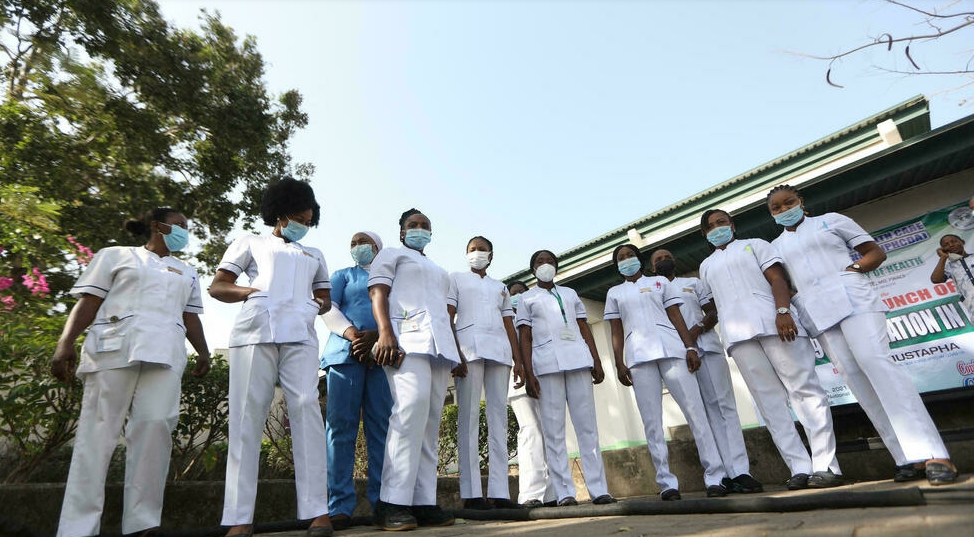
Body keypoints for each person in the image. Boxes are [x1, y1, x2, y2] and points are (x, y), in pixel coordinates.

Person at [769, 184, 958, 485]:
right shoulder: (775, 246)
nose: (783, 210)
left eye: (787, 202)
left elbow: (875, 252)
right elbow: (782, 283)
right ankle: (905, 458)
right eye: (775, 208)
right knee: (857, 381)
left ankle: (935, 454)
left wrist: (853, 269)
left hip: (855, 301)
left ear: (800, 201)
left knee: (877, 363)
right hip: (819, 315)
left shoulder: (832, 220)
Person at [52, 207, 211, 537]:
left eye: (187, 227)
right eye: (179, 225)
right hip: (113, 351)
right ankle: (78, 529)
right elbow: (89, 302)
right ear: (157, 226)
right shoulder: (115, 256)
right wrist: (65, 342)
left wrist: (204, 352)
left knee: (155, 433)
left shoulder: (188, 271)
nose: (185, 231)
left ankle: (143, 524)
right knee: (96, 436)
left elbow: (190, 317)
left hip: (165, 356)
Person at [209, 178, 333, 537]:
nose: (303, 226)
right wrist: (255, 292)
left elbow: (324, 295)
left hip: (301, 332)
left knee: (307, 408)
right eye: (298, 218)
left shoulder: (315, 255)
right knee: (247, 415)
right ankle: (239, 518)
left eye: (308, 221)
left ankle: (317, 513)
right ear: (279, 214)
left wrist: (315, 303)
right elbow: (219, 286)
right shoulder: (250, 242)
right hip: (255, 330)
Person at [697, 209, 842, 490]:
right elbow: (712, 304)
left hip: (776, 323)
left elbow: (778, 279)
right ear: (705, 234)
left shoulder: (757, 245)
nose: (718, 228)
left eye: (722, 222)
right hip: (739, 338)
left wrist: (783, 311)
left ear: (732, 224)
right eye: (711, 226)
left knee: (804, 391)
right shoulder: (705, 266)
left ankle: (826, 466)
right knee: (770, 404)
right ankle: (799, 467)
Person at [605, 244, 728, 500]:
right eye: (621, 258)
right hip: (639, 359)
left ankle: (715, 477)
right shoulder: (614, 292)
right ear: (616, 265)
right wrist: (619, 362)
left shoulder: (661, 282)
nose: (626, 260)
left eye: (630, 256)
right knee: (652, 422)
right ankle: (667, 483)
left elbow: (676, 316)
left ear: (639, 260)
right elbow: (616, 331)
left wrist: (690, 347)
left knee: (696, 413)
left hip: (673, 350)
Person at [368, 208, 466, 531]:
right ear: (401, 231)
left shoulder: (439, 270)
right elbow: (378, 292)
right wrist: (385, 333)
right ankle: (391, 502)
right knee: (409, 412)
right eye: (413, 225)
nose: (419, 229)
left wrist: (457, 352)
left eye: (425, 226)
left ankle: (423, 500)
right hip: (405, 341)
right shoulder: (391, 256)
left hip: (439, 348)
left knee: (429, 422)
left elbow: (445, 314)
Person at [649, 249, 763, 494]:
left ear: (675, 261)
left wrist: (697, 329)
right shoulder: (651, 289)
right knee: (698, 414)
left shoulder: (693, 283)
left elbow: (713, 311)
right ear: (651, 269)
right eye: (657, 260)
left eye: (667, 256)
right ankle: (717, 475)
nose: (663, 261)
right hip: (678, 355)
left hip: (707, 348)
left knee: (724, 407)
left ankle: (740, 472)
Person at [515, 249, 616, 506]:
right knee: (554, 431)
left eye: (550, 261)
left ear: (556, 267)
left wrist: (596, 359)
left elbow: (583, 327)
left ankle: (599, 489)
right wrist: (528, 372)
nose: (545, 265)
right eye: (540, 261)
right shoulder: (526, 298)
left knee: (588, 428)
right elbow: (524, 336)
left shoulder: (570, 294)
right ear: (532, 269)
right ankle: (564, 493)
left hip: (579, 361)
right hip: (546, 365)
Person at [319, 231, 392, 530]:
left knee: (382, 429)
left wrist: (376, 337)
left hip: (382, 358)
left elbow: (397, 312)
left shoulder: (391, 278)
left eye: (364, 242)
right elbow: (327, 307)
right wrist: (353, 335)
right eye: (353, 243)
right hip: (344, 356)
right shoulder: (342, 276)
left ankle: (383, 502)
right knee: (340, 429)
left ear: (378, 247)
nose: (358, 247)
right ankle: (339, 506)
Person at [448, 236, 522, 510]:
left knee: (499, 419)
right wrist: (454, 352)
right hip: (469, 349)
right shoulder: (455, 279)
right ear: (466, 254)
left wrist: (518, 360)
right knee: (468, 417)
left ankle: (500, 492)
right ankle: (471, 494)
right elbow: (448, 316)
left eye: (482, 249)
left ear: (491, 255)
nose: (477, 253)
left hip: (500, 351)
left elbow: (508, 321)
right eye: (472, 249)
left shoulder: (500, 286)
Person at [506, 281, 556, 508]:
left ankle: (552, 494)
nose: (517, 296)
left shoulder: (537, 317)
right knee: (531, 432)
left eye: (521, 293)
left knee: (550, 433)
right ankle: (530, 493)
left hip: (544, 376)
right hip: (518, 382)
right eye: (513, 293)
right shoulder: (504, 319)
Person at [931, 233, 974, 322]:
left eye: (954, 241)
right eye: (946, 245)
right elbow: (935, 279)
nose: (951, 245)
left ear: (962, 242)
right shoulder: (949, 267)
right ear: (943, 249)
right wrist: (943, 257)